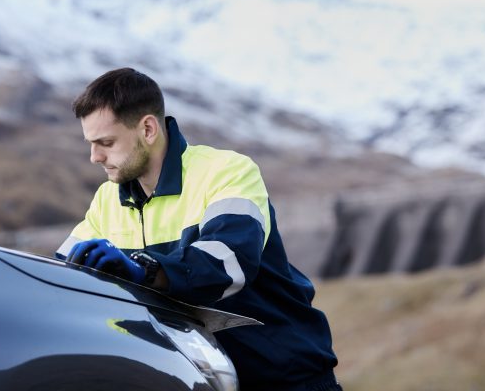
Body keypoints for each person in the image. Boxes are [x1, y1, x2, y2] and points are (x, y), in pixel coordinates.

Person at [56, 68, 342, 391]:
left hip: (284, 379)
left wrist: (144, 269)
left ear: (148, 129)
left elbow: (226, 263)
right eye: (91, 144)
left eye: (105, 142)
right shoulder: (106, 200)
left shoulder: (228, 172)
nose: (94, 157)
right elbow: (60, 278)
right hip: (194, 382)